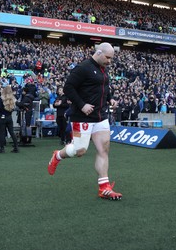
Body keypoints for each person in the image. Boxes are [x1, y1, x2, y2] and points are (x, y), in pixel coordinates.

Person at [47, 42, 122, 201]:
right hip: (82, 117)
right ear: (99, 53)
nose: (109, 61)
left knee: (104, 149)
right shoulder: (83, 67)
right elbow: (68, 88)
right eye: (108, 57)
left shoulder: (103, 70)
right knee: (80, 150)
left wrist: (110, 100)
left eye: (111, 58)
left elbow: (104, 88)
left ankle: (104, 188)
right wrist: (81, 105)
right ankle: (58, 156)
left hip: (100, 117)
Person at [0, 85, 19, 153]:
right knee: (12, 132)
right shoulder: (12, 98)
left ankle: (2, 148)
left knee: (2, 133)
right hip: (9, 117)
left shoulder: (1, 98)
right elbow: (13, 108)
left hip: (2, 117)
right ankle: (16, 147)